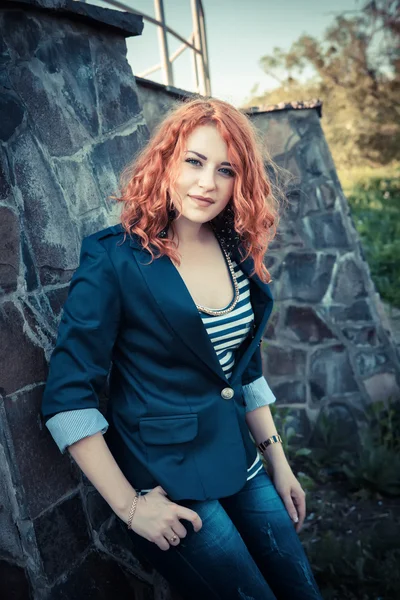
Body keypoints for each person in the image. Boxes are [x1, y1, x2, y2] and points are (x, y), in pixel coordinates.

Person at [41, 97, 323, 600]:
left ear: (242, 181)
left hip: (243, 462)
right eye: (194, 161)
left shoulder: (237, 250)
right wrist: (130, 507)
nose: (207, 183)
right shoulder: (114, 258)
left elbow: (244, 370)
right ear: (167, 161)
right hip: (168, 481)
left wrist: (278, 461)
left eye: (226, 169)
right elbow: (68, 400)